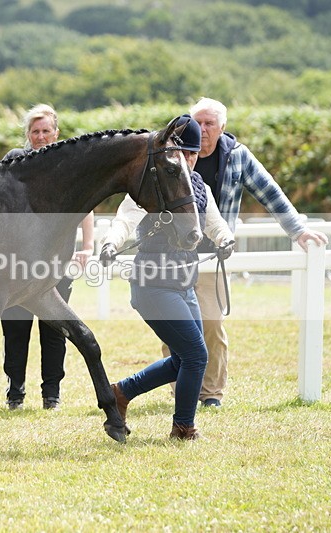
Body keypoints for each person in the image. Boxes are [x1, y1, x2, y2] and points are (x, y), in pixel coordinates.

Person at [179, 97, 329, 408]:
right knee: (175, 325)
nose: (202, 130)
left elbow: (270, 192)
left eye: (209, 124)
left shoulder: (237, 157)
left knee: (212, 323)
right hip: (175, 255)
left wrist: (298, 230)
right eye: (198, 123)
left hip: (214, 256)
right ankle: (181, 388)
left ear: (223, 127)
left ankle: (211, 394)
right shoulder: (174, 153)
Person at [100, 115, 235, 439]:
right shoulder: (153, 183)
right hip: (152, 284)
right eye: (183, 153)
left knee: (183, 358)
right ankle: (184, 427)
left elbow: (213, 221)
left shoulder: (199, 186)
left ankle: (120, 393)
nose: (188, 160)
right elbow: (125, 220)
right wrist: (110, 243)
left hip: (184, 282)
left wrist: (225, 239)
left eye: (192, 154)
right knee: (196, 354)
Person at [0, 103, 95, 410]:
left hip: (57, 260)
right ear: (28, 134)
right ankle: (15, 391)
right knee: (15, 327)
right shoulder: (16, 160)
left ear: (56, 133)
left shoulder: (70, 164)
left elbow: (85, 207)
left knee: (55, 328)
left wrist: (87, 246)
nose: (41, 136)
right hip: (16, 261)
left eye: (46, 131)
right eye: (35, 131)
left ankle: (51, 393)